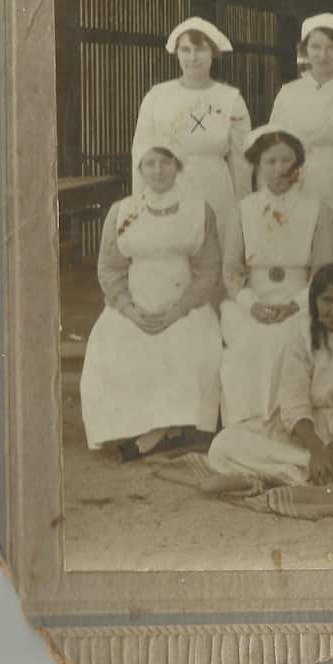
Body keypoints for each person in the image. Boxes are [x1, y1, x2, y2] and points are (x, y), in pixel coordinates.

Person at [79, 140, 222, 460]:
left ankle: (160, 432)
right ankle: (138, 427)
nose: (158, 171)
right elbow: (109, 269)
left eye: (166, 162)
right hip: (134, 306)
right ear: (140, 168)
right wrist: (129, 309)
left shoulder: (199, 210)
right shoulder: (122, 211)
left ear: (178, 166)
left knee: (188, 340)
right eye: (150, 163)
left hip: (184, 306)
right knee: (111, 339)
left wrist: (178, 310)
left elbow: (208, 270)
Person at [205, 263, 333, 488]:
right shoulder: (301, 334)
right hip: (306, 432)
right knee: (223, 445)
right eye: (327, 301)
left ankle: (302, 476)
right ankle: (316, 473)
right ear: (314, 301)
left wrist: (331, 450)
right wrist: (317, 450)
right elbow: (294, 404)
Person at [219, 126, 333, 427]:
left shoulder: (318, 210)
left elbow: (323, 270)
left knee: (289, 340)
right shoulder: (242, 210)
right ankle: (249, 425)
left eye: (287, 160)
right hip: (253, 300)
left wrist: (297, 304)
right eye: (270, 161)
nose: (279, 169)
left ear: (299, 165)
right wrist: (251, 305)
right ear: (257, 165)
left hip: (301, 299)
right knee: (249, 343)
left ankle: (290, 423)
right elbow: (232, 270)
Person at [131, 17, 251, 247]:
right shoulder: (157, 96)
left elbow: (241, 163)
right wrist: (141, 203)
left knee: (214, 251)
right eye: (185, 50)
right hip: (169, 189)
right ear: (176, 53)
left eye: (201, 50)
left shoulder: (231, 99)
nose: (193, 57)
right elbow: (140, 153)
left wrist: (242, 210)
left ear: (213, 53)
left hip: (216, 190)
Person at [269, 13, 333, 208]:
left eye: (331, 47)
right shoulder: (289, 93)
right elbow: (276, 145)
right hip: (300, 180)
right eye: (316, 47)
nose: (323, 55)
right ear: (305, 49)